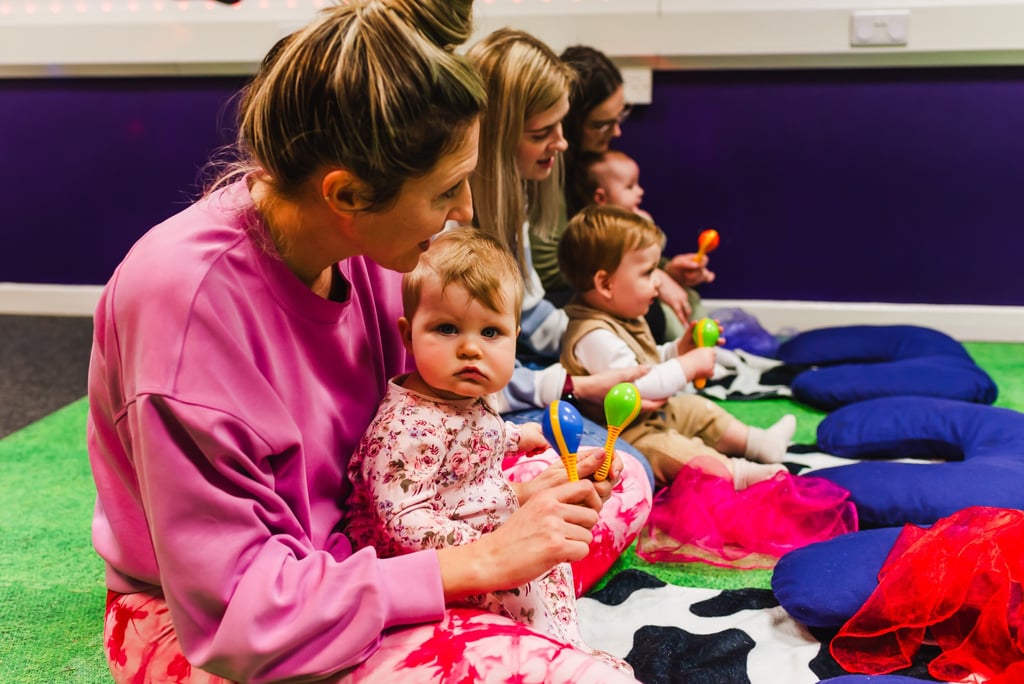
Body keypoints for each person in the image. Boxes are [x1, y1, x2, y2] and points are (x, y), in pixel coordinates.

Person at [87, 2, 644, 681]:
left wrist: (512, 500)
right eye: (446, 191)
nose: (465, 212)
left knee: (619, 477)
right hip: (226, 623)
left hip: (372, 543)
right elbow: (237, 614)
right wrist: (483, 560)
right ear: (346, 194)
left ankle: (493, 619)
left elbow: (421, 438)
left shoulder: (372, 253)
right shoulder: (183, 304)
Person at [344, 227, 635, 675]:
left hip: (486, 515)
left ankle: (557, 629)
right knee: (527, 584)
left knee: (610, 475)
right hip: (439, 563)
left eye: (491, 332)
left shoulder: (464, 394)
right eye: (446, 328)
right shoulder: (407, 426)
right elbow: (402, 523)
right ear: (408, 335)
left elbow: (482, 432)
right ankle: (554, 653)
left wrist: (522, 437)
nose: (470, 348)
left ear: (515, 338)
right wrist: (496, 543)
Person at [558, 204, 795, 490]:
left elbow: (645, 361)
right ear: (606, 283)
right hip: (625, 436)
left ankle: (758, 442)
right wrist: (689, 366)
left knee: (696, 409)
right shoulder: (592, 335)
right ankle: (740, 473)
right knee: (674, 452)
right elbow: (640, 384)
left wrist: (677, 351)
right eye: (647, 273)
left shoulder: (620, 316)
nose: (658, 281)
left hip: (652, 415)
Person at [528, 45, 711, 338]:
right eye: (601, 124)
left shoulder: (594, 166)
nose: (616, 133)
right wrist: (644, 275)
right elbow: (550, 271)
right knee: (647, 312)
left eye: (620, 115)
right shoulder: (544, 169)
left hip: (593, 279)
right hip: (559, 293)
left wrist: (663, 269)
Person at [581, 148, 708, 325]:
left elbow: (656, 251)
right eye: (630, 186)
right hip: (638, 296)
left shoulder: (637, 219)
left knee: (690, 297)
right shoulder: (601, 232)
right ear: (601, 198)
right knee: (668, 315)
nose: (640, 191)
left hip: (651, 287)